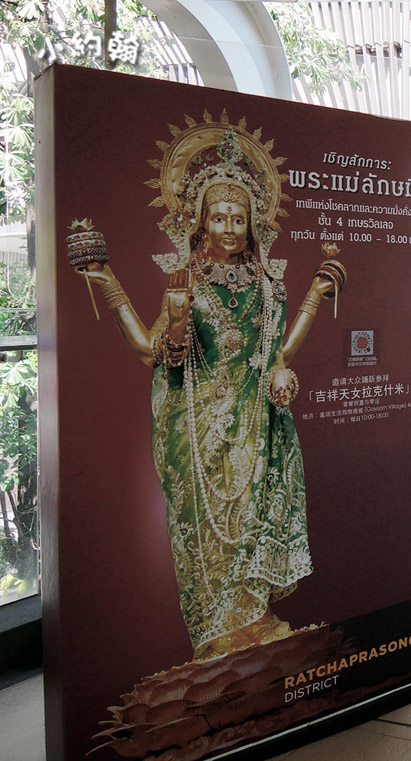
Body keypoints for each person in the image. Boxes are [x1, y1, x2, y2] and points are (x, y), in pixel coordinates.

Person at [75, 125, 343, 661]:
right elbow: (153, 353)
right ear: (200, 222)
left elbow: (278, 353)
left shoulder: (269, 283)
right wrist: (111, 285)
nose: (228, 229)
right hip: (197, 427)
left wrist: (313, 296)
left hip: (257, 421)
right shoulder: (187, 281)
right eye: (218, 218)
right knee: (209, 529)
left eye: (238, 219)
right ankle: (219, 640)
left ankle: (257, 622)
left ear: (254, 223)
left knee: (253, 519)